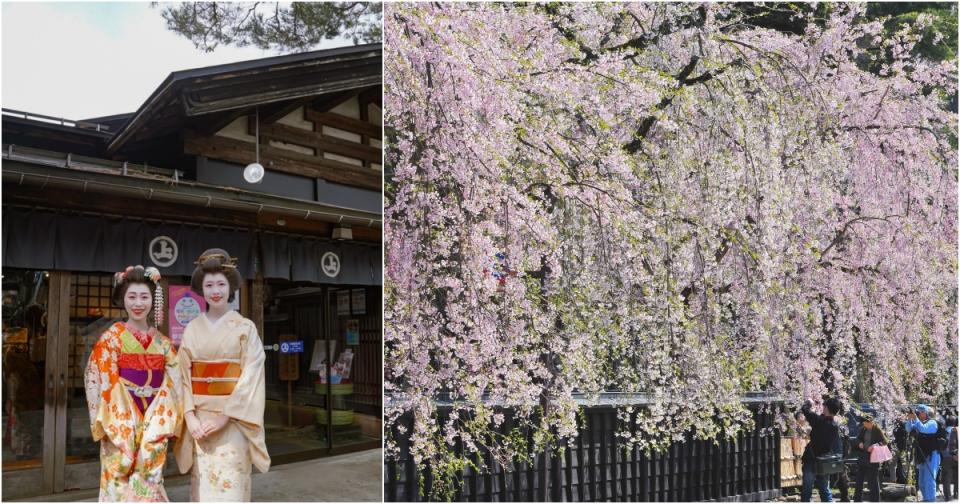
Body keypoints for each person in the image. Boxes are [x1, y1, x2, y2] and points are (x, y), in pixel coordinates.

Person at [174, 249, 270, 501]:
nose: (215, 290)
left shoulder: (244, 328)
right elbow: (182, 375)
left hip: (234, 421)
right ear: (201, 289)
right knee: (203, 485)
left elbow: (252, 374)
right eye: (209, 285)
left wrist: (225, 416)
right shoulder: (192, 329)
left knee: (232, 485)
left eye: (220, 284)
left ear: (231, 287)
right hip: (200, 422)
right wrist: (189, 416)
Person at [83, 266, 181, 501]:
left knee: (150, 474)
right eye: (132, 296)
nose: (138, 303)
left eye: (144, 296)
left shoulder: (163, 343)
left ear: (153, 300)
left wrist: (161, 415)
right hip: (120, 417)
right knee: (118, 473)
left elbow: (175, 381)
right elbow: (96, 377)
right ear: (123, 299)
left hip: (155, 414)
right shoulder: (111, 338)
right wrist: (121, 417)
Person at [799, 397, 844, 503]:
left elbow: (805, 409)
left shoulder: (819, 421)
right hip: (824, 461)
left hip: (811, 459)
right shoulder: (835, 426)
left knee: (807, 489)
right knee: (824, 489)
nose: (823, 407)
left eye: (824, 406)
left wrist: (809, 403)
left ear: (827, 408)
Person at [905, 404, 941, 502]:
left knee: (929, 480)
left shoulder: (932, 423)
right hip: (921, 455)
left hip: (932, 455)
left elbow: (923, 429)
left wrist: (915, 419)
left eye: (919, 412)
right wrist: (910, 419)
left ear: (925, 413)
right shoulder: (918, 422)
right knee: (921, 482)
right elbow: (908, 429)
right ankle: (926, 499)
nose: (917, 414)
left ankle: (930, 500)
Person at [852, 413, 888, 502]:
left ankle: (875, 501)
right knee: (859, 480)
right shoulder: (863, 429)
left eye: (864, 423)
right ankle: (857, 500)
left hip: (873, 458)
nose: (863, 424)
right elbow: (857, 439)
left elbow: (885, 441)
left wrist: (874, 445)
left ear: (869, 422)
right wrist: (859, 443)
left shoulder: (877, 429)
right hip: (863, 456)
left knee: (873, 482)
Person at [942, 415, 958, 501]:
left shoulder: (944, 431)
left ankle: (947, 496)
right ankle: (957, 494)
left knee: (946, 476)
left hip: (946, 457)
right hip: (957, 456)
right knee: (957, 476)